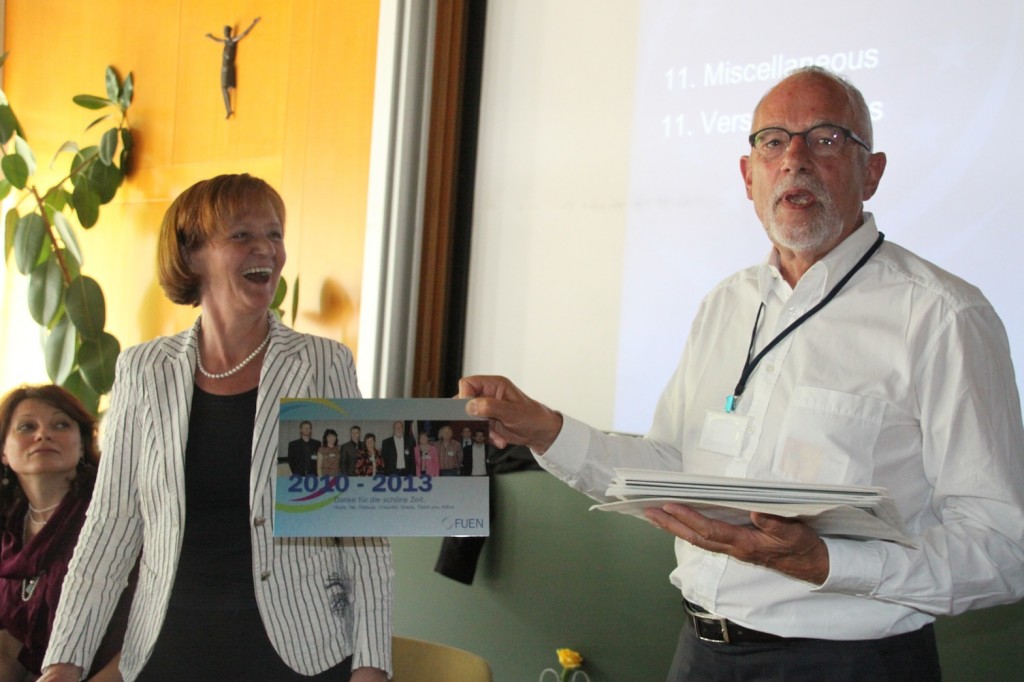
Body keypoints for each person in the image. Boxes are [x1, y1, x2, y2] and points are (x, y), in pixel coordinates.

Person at [460, 67, 1024, 681]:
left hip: (849, 664)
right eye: (773, 141)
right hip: (701, 652)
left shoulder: (942, 315)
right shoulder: (726, 304)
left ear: (873, 172)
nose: (795, 159)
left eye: (826, 139)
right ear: (748, 175)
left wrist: (829, 564)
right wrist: (544, 429)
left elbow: (1003, 547)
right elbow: (669, 468)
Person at [40, 174, 392, 681]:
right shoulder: (144, 370)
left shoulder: (322, 363)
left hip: (301, 652)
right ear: (191, 255)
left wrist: (372, 666)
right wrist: (63, 663)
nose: (266, 249)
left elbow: (363, 533)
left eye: (274, 234)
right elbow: (109, 528)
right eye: (242, 234)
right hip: (168, 651)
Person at [0, 385, 132, 681]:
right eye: (27, 427)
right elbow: (9, 649)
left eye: (61, 425)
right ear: (3, 452)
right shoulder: (10, 525)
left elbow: (147, 634)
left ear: (83, 445)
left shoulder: (113, 515)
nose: (43, 435)